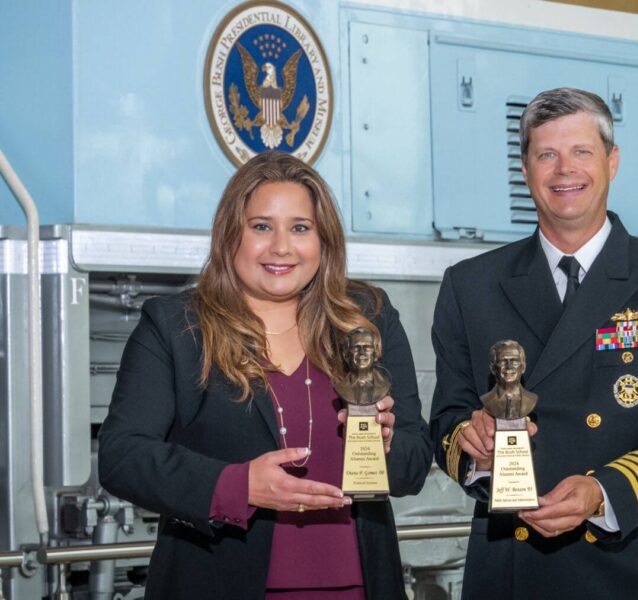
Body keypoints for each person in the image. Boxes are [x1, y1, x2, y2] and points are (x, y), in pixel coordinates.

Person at [430, 87, 638, 599]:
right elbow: (445, 419)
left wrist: (602, 492)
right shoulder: (469, 285)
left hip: (630, 560)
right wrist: (472, 444)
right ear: (525, 171)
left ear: (612, 162)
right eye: (546, 154)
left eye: (581, 152)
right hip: (510, 566)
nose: (564, 170)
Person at [98, 151, 432, 600]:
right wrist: (237, 486)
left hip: (359, 587)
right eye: (261, 226)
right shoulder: (176, 326)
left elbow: (412, 463)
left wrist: (388, 447)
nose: (281, 247)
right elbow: (122, 457)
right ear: (230, 235)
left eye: (300, 227)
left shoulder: (367, 318)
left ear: (323, 240)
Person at [480, 341, 537, 421]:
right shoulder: (487, 401)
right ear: (493, 368)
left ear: (523, 367)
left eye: (514, 361)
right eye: (503, 361)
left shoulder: (531, 400)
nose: (509, 366)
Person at [334, 328, 391, 406]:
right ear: (346, 355)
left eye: (367, 347)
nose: (362, 353)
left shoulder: (384, 386)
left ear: (375, 354)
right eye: (356, 348)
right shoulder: (341, 388)